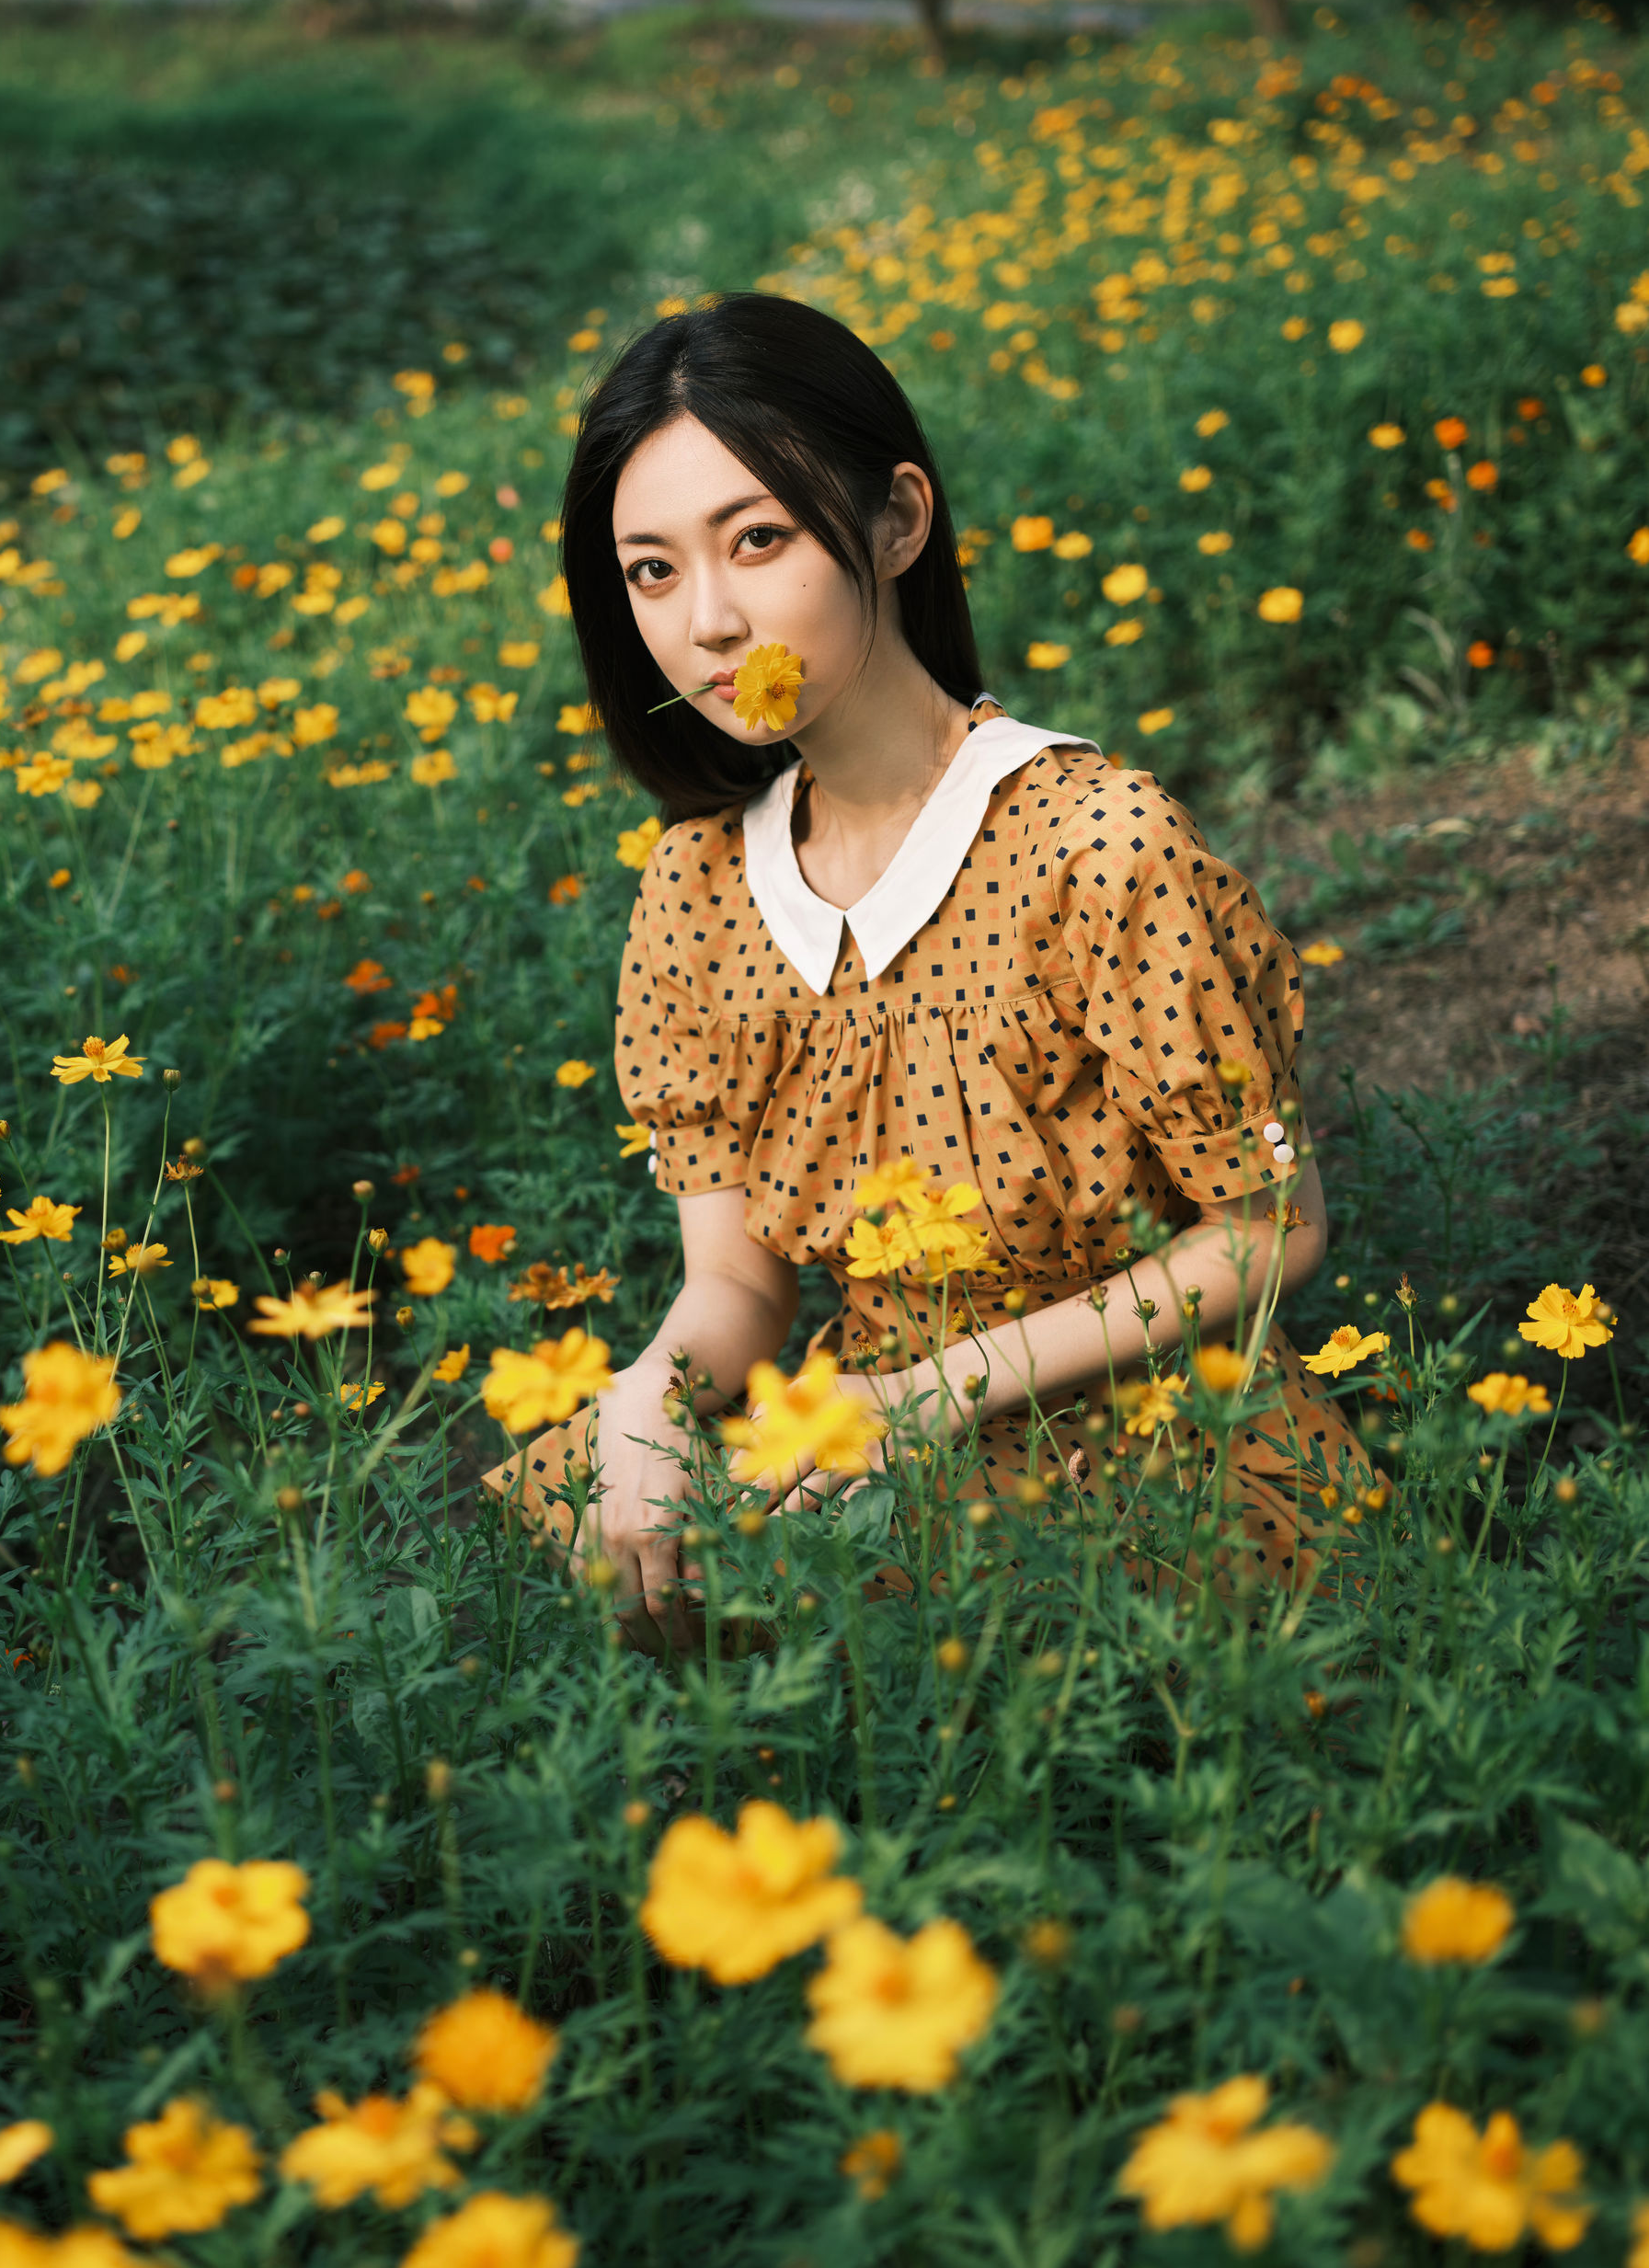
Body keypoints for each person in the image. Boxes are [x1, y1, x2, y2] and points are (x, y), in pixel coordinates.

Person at [488, 292, 1360, 1632]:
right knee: (604, 1534)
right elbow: (739, 1285)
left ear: (897, 521)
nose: (709, 621)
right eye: (653, 570)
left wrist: (922, 1400)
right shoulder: (698, 885)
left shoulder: (1095, 844)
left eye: (760, 539)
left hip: (1135, 1412)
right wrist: (647, 1406)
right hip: (851, 1407)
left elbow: (1269, 1232)